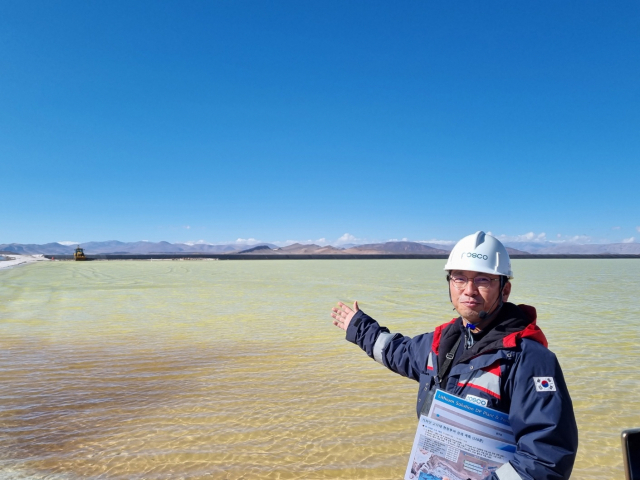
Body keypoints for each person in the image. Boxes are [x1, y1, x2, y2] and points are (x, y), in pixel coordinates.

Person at [331, 231, 578, 480]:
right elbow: (399, 353)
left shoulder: (529, 359)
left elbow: (546, 459)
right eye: (459, 278)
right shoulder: (441, 343)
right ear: (449, 284)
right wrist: (359, 327)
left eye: (483, 279)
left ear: (505, 290)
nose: (469, 290)